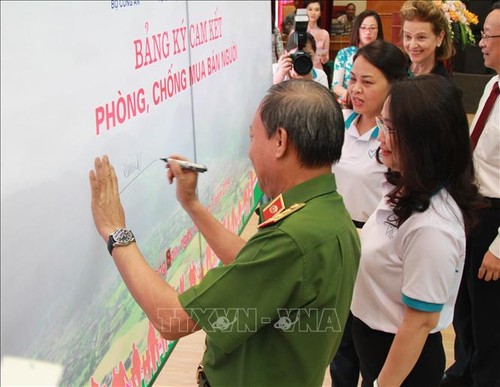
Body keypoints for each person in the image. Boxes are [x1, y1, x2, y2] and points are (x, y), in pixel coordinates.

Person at [89, 79, 361, 387]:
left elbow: (172, 318)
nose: (249, 152)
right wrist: (192, 204)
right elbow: (253, 263)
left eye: (251, 137)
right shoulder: (328, 215)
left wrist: (116, 233)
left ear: (280, 141)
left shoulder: (293, 239)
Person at [350, 75, 485, 386]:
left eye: (390, 129)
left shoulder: (433, 228)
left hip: (401, 361)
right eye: (381, 124)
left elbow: (420, 321)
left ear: (425, 141)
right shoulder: (407, 185)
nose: (380, 136)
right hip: (376, 345)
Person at [329, 40, 408, 387]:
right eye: (353, 79)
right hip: (337, 238)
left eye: (368, 82)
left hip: (378, 245)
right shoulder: (339, 124)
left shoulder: (398, 139)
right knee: (339, 341)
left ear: (393, 85)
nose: (356, 90)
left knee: (369, 339)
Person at [443, 3, 500, 386]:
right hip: (474, 208)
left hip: (495, 219)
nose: (480, 43)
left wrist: (499, 248)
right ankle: (464, 370)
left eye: (487, 36)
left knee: (490, 319)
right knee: (465, 306)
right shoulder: (494, 85)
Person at [332, 10, 384, 104]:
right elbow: (336, 86)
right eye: (363, 28)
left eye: (372, 28)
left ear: (378, 30)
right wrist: (350, 95)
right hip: (349, 102)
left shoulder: (383, 54)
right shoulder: (345, 54)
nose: (368, 32)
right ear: (357, 30)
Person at [400, 0, 455, 77]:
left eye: (421, 37)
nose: (412, 45)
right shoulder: (392, 71)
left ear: (439, 37)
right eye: (408, 37)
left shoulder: (444, 85)